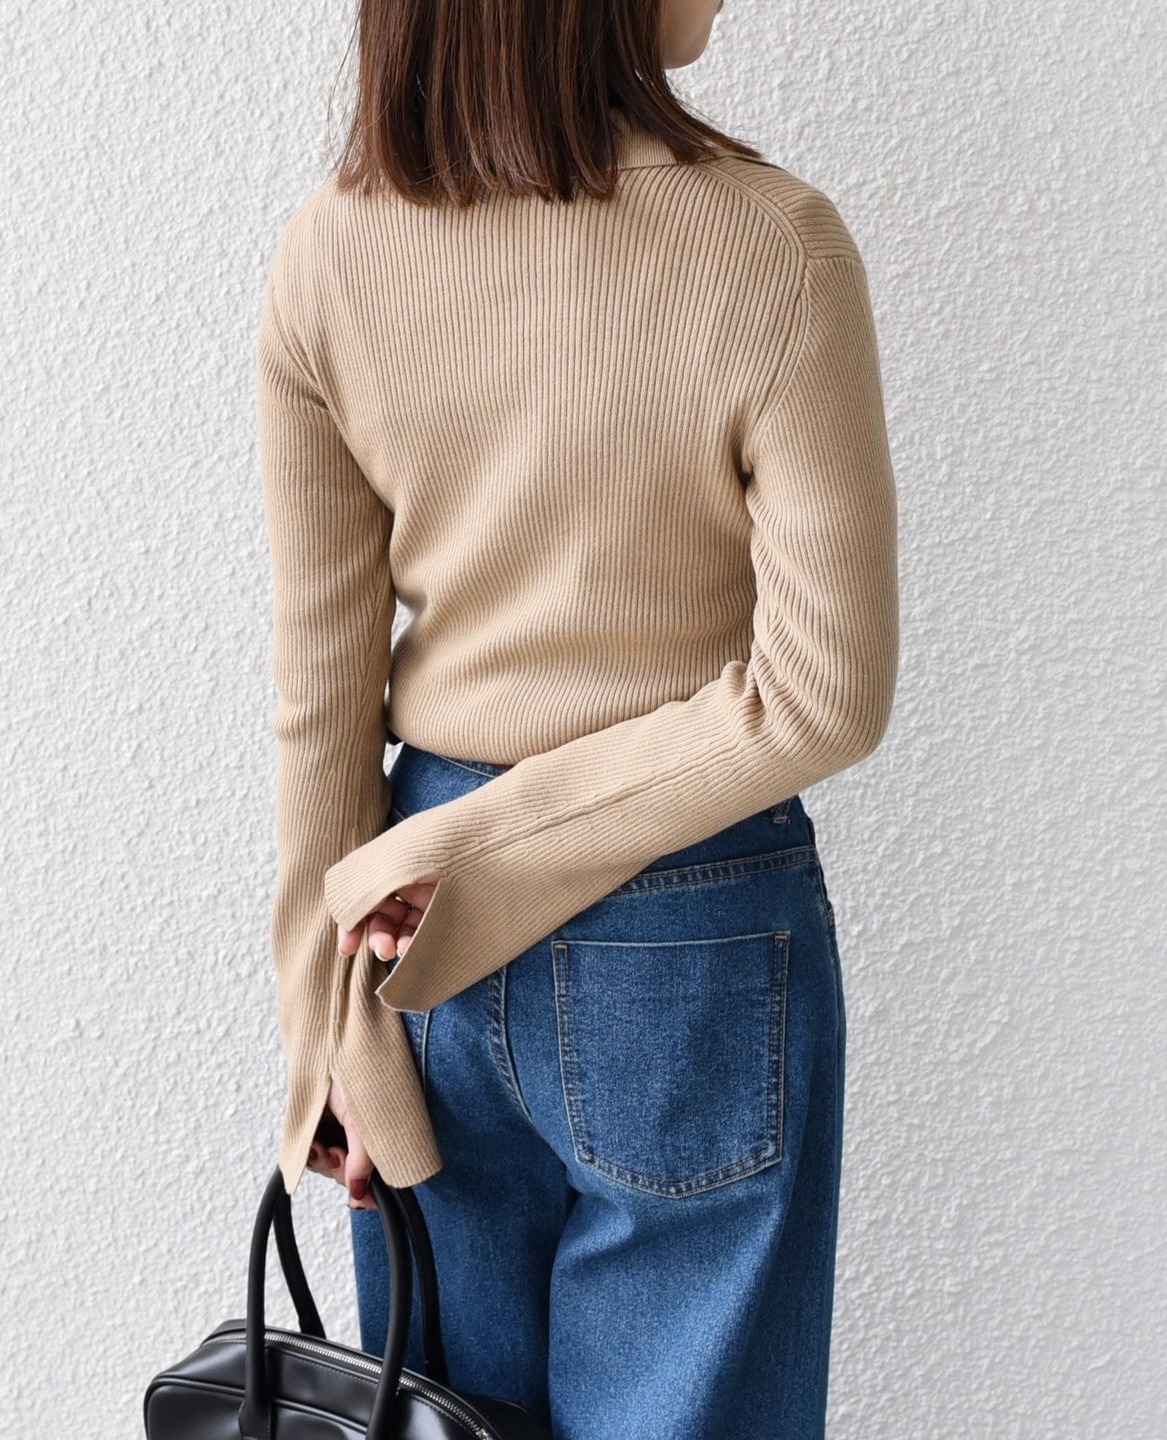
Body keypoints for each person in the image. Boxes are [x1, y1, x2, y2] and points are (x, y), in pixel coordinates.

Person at [254, 0, 899, 1433]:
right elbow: (822, 696)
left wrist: (322, 1035)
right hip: (686, 913)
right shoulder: (772, 245)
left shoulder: (332, 252)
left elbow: (318, 699)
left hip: (408, 929)